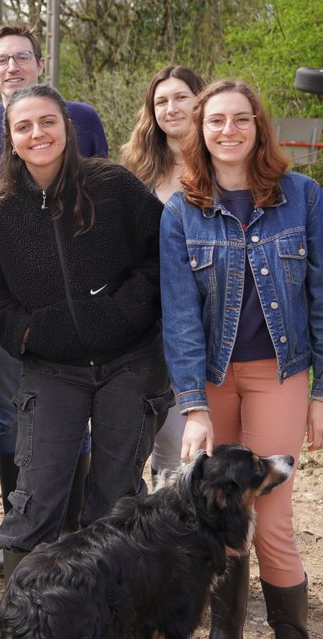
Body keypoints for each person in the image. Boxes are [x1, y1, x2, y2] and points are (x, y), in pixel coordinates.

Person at [160, 79, 323, 639]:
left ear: (258, 127)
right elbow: (181, 316)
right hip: (213, 382)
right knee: (219, 519)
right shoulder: (182, 211)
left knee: (271, 525)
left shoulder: (304, 197)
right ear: (200, 131)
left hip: (280, 375)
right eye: (216, 121)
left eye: (241, 119)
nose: (229, 131)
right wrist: (193, 406)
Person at [0, 84, 171, 584]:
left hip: (130, 362)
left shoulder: (115, 186)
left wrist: (126, 310)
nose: (38, 133)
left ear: (67, 128)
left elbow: (161, 256)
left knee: (117, 494)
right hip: (52, 367)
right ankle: (25, 603)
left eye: (47, 122)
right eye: (24, 126)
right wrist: (28, 332)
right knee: (37, 491)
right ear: (10, 140)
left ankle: (106, 601)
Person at [0, 24, 108, 573]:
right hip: (13, 300)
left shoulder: (81, 118)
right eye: (1, 60)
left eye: (23, 57)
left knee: (80, 410)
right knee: (13, 413)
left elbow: (106, 192)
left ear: (40, 63)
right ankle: (19, 534)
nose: (13, 66)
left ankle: (73, 533)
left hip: (81, 293)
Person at [119, 64, 205, 486]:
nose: (171, 108)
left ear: (200, 101)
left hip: (214, 317)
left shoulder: (223, 162)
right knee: (170, 444)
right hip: (155, 323)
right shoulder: (138, 173)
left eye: (181, 98)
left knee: (216, 439)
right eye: (160, 101)